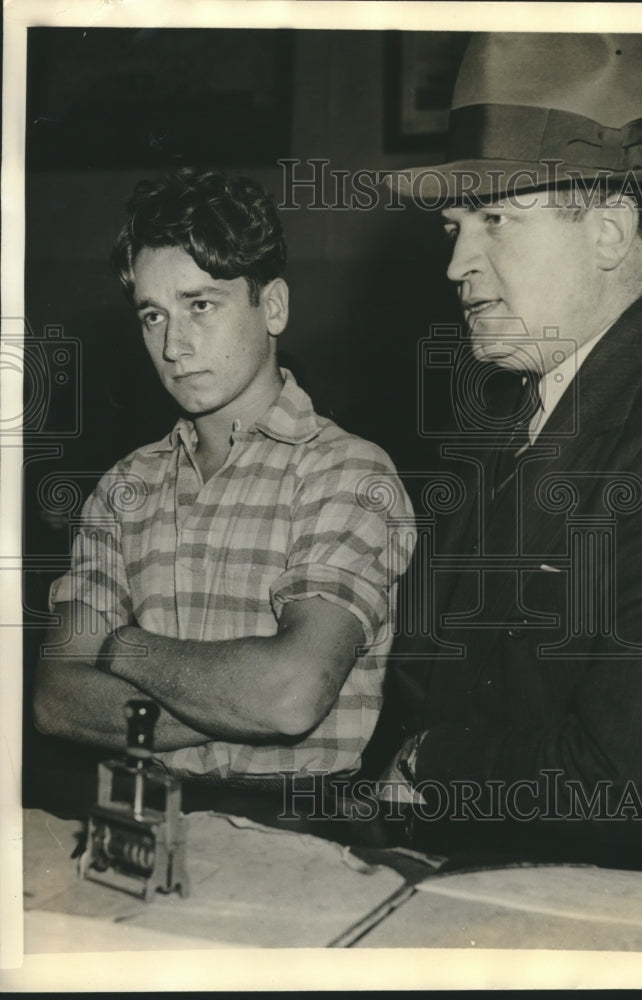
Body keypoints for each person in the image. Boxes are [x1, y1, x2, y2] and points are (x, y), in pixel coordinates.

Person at [370, 33, 642, 874]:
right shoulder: (507, 410)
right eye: (457, 225)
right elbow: (420, 675)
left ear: (608, 230)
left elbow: (629, 786)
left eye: (495, 219)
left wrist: (426, 766)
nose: (457, 263)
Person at [33, 168, 414, 797]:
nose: (174, 344)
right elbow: (55, 700)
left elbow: (290, 696)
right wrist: (233, 701)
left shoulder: (347, 472)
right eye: (152, 316)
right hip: (149, 817)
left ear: (274, 307)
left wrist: (122, 648)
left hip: (298, 832)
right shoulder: (124, 486)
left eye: (200, 305)